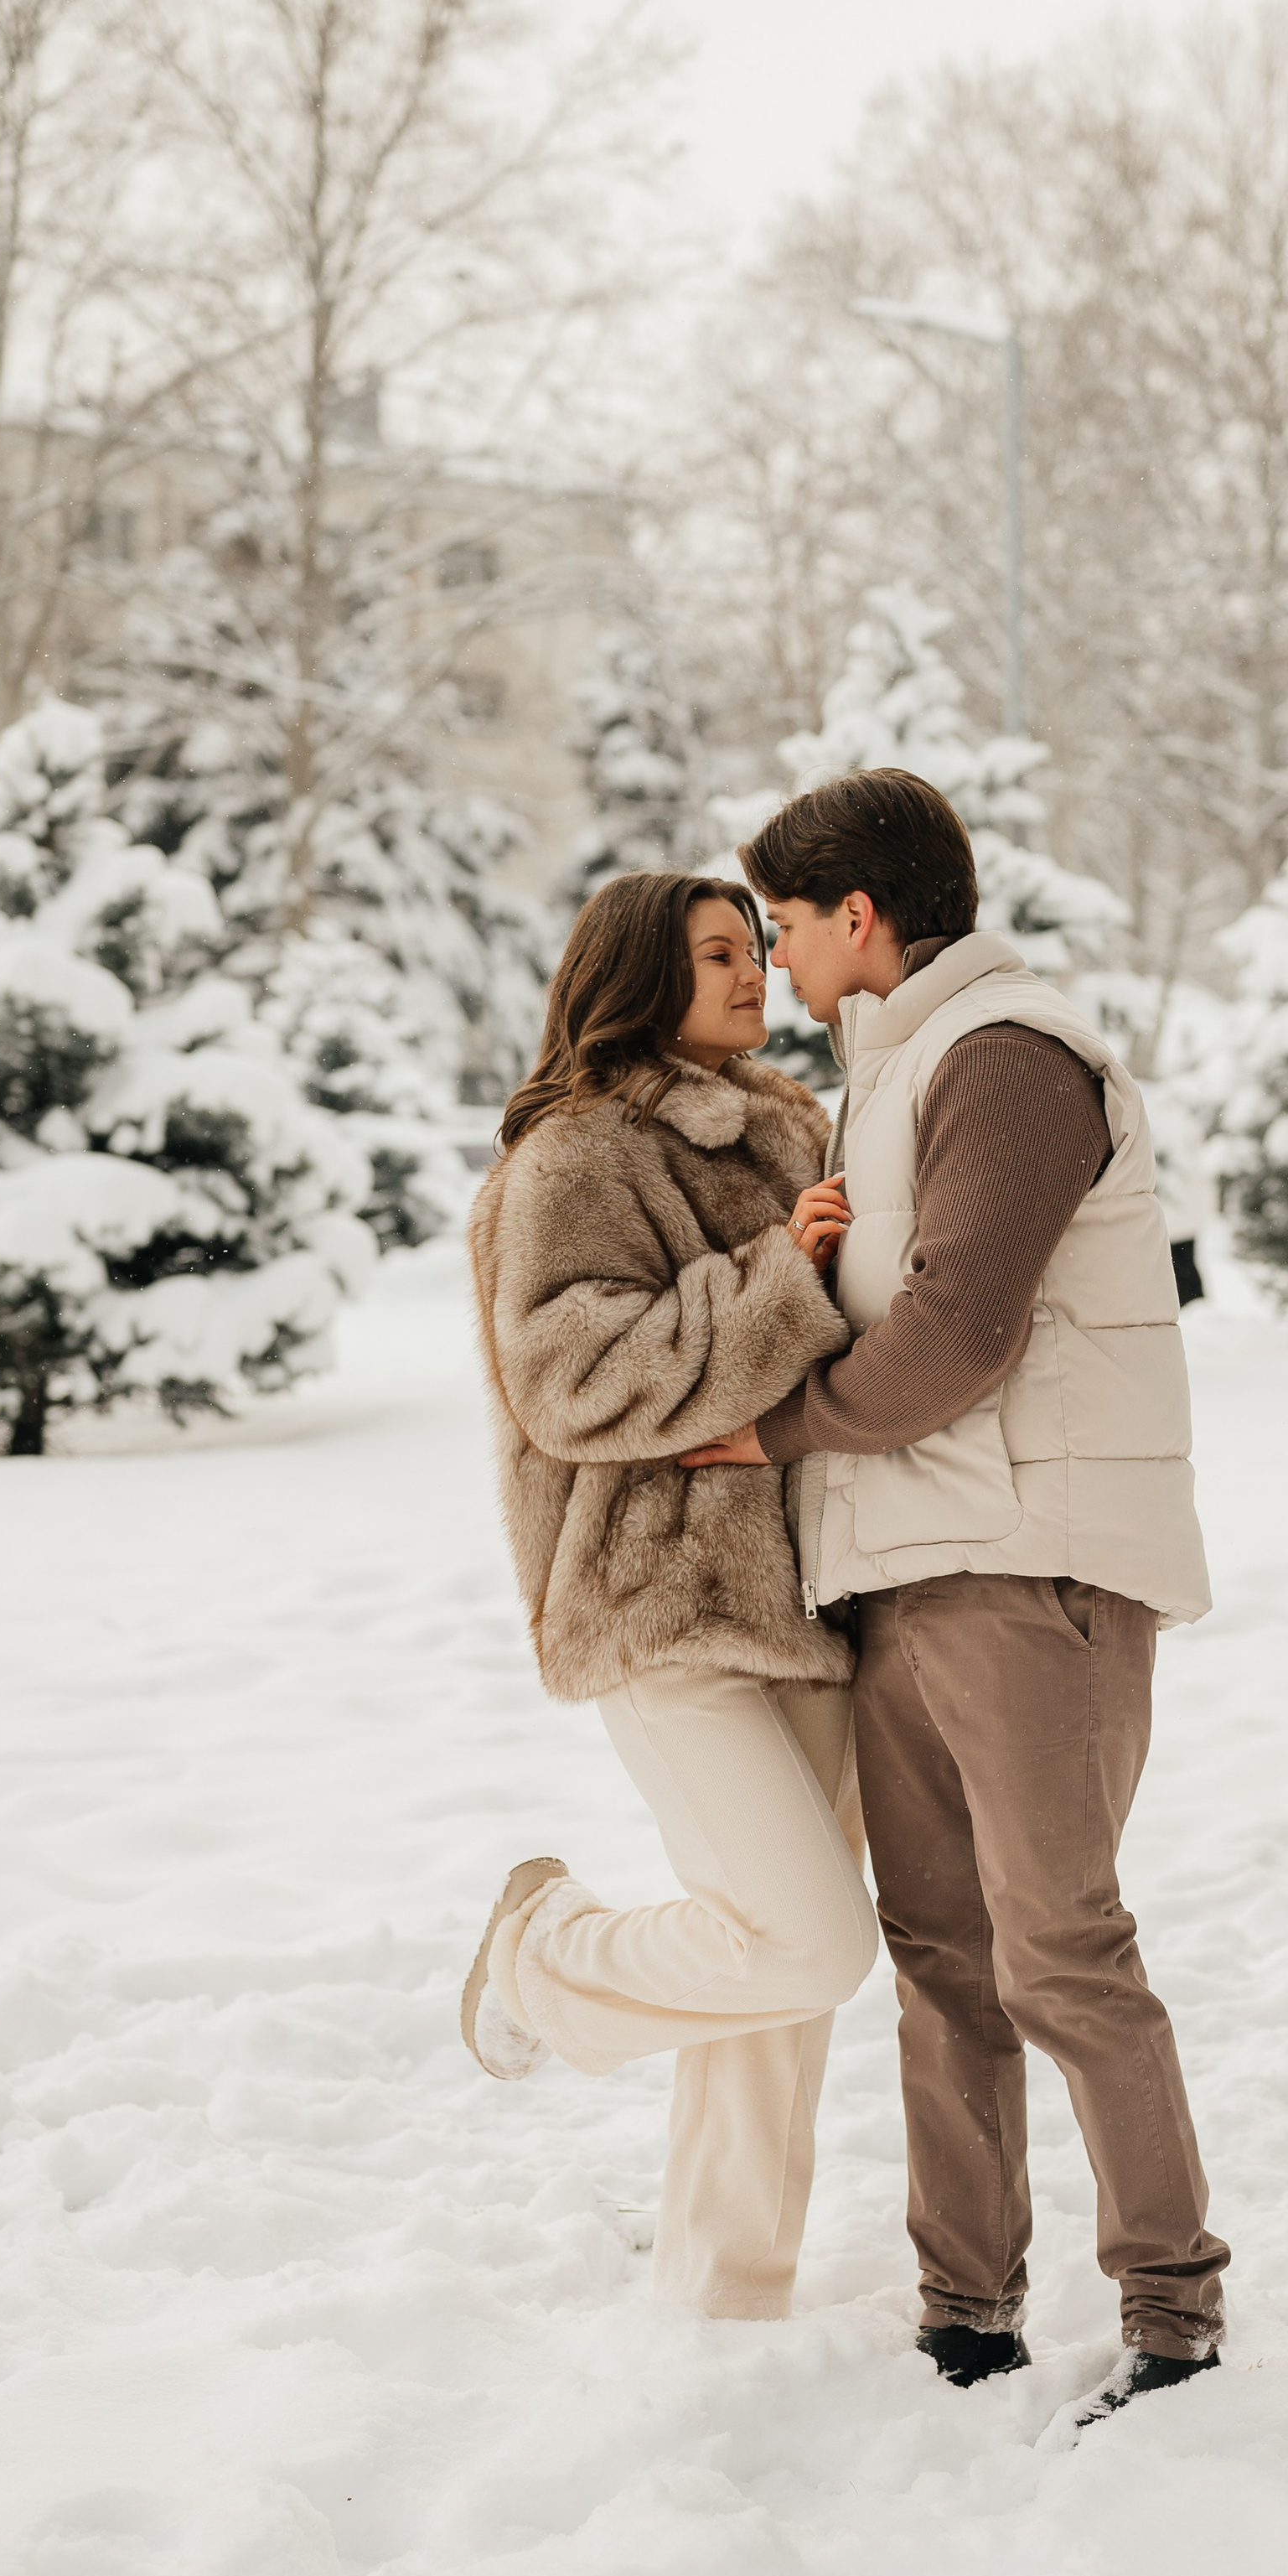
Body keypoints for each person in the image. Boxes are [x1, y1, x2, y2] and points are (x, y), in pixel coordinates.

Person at [680, 770, 1229, 2423]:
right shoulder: (891, 1069)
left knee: (1058, 1946)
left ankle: (1172, 2318)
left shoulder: (1008, 1056)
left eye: (780, 924)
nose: (771, 960)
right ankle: (965, 2312)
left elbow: (959, 1332)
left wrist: (762, 1427)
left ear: (857, 915)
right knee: (942, 1961)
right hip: (901, 1572)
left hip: (1025, 1567)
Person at [458, 870, 873, 2324]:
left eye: (756, 948)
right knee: (808, 1938)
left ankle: (726, 2302)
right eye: (715, 954)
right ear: (637, 974)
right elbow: (569, 1380)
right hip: (661, 1599)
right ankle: (540, 1955)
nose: (753, 972)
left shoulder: (795, 1130)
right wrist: (778, 1277)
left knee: (776, 1992)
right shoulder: (578, 1156)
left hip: (817, 1598)